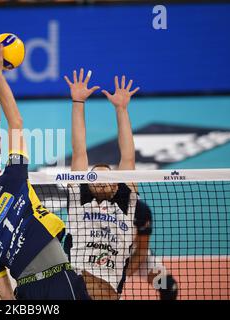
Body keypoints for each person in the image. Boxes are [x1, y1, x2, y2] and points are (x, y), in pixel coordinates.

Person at [0, 39, 89, 300]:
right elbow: (16, 123)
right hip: (59, 279)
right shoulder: (10, 182)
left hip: (27, 291)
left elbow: (6, 295)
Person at [64, 70, 178, 300]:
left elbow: (128, 158)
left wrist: (122, 110)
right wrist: (78, 103)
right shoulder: (78, 199)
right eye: (95, 178)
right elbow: (79, 151)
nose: (101, 183)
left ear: (117, 185)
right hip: (77, 284)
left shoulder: (128, 204)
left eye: (108, 178)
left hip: (110, 286)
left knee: (166, 284)